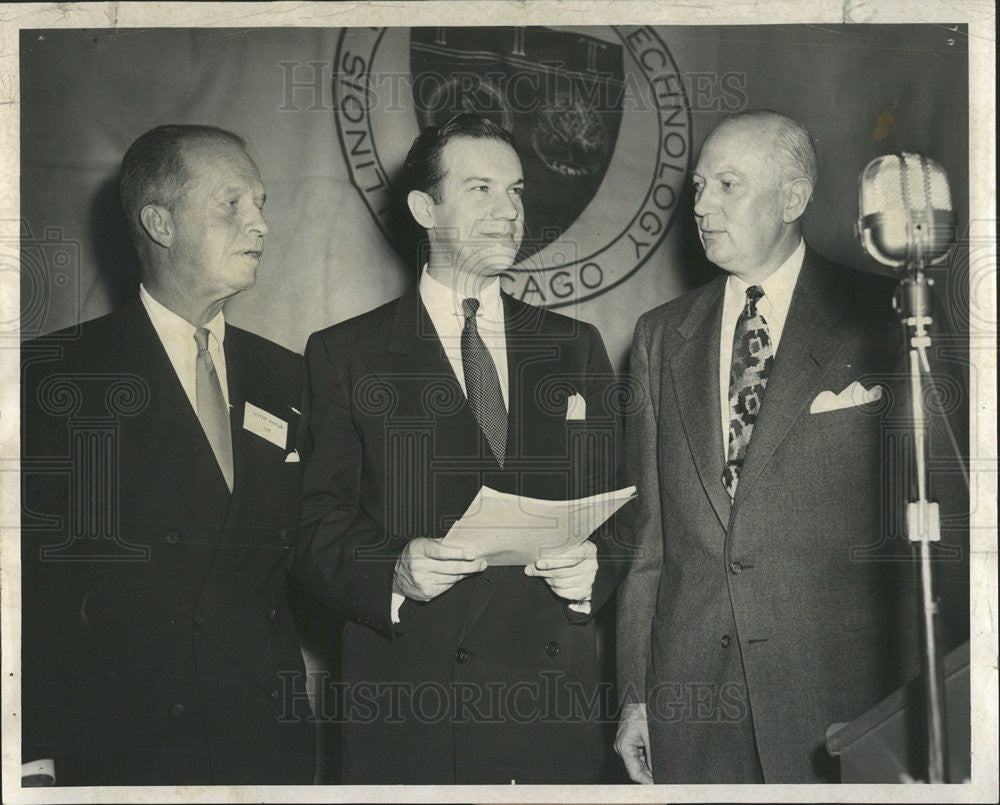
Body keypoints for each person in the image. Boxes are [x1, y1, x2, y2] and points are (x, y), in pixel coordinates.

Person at [614, 110, 968, 783]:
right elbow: (647, 545)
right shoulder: (660, 336)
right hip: (692, 711)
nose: (702, 206)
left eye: (727, 184)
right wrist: (637, 696)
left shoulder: (886, 314)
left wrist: (944, 703)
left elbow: (943, 533)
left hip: (846, 707)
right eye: (698, 187)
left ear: (793, 197)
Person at [296, 113, 629, 784]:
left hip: (548, 710)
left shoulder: (575, 346)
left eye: (516, 191)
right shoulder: (346, 355)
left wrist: (598, 564)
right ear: (424, 207)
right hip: (413, 709)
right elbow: (311, 525)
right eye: (481, 189)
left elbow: (622, 508)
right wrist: (392, 567)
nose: (509, 211)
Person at [20, 124, 315, 785]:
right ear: (159, 222)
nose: (261, 225)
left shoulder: (288, 378)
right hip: (126, 751)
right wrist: (30, 756)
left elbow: (312, 553)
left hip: (266, 747)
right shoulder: (55, 375)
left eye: (262, 203)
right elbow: (31, 588)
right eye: (232, 204)